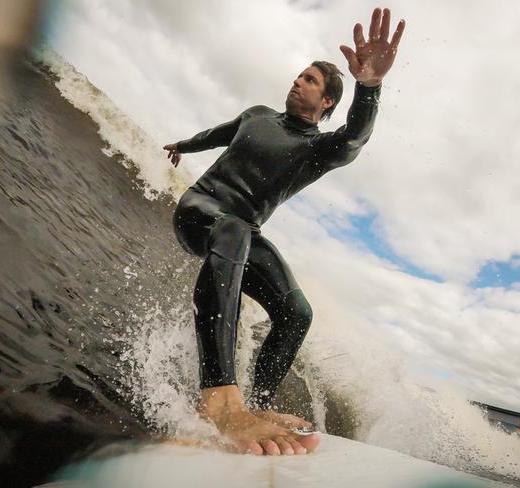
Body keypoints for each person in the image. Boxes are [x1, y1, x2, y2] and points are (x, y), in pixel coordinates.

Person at [164, 7, 405, 456]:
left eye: (311, 80)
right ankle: (218, 398)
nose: (298, 81)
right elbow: (217, 134)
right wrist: (183, 145)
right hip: (200, 211)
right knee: (236, 229)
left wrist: (369, 87)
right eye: (299, 75)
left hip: (239, 235)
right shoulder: (256, 114)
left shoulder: (319, 149)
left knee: (298, 312)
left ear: (327, 101)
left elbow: (355, 137)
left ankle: (255, 405)